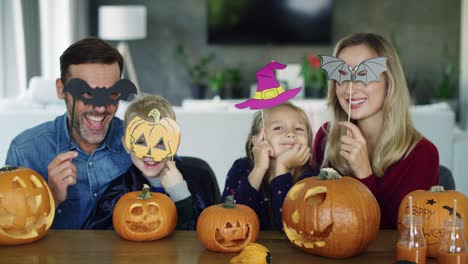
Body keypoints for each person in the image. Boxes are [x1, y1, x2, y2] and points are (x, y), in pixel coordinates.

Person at [312, 33, 439, 229]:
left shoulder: (423, 154)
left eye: (363, 75)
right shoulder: (326, 138)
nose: (350, 88)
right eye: (343, 75)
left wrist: (364, 173)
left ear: (389, 81)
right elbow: (311, 213)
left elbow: (401, 234)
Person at [5, 37, 134, 229]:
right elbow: (12, 230)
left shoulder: (141, 140)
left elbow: (177, 210)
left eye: (112, 94)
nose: (100, 108)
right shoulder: (25, 151)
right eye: (87, 94)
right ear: (61, 89)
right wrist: (51, 198)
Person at [82, 95, 218, 230]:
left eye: (160, 143)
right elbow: (98, 235)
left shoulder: (200, 180)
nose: (150, 153)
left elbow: (210, 231)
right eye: (141, 142)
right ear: (126, 145)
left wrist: (181, 196)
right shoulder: (119, 191)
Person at [221, 102, 318, 230]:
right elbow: (229, 221)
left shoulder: (312, 179)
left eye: (299, 129)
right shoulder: (241, 168)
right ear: (257, 140)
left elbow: (292, 228)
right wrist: (259, 169)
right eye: (278, 128)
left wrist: (282, 168)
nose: (291, 133)